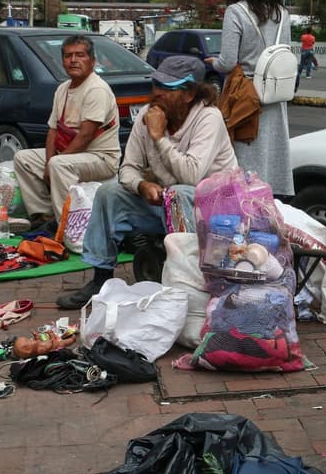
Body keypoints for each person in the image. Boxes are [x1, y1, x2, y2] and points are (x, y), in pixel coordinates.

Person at [56, 56, 238, 309]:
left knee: (177, 192)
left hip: (213, 211)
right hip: (166, 201)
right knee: (108, 193)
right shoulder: (147, 114)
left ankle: (185, 277)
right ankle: (100, 278)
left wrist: (158, 136)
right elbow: (127, 168)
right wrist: (141, 186)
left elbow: (192, 177)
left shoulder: (209, 117)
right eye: (156, 86)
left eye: (167, 89)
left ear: (188, 94)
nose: (157, 94)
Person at [206, 0, 292, 199]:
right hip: (275, 97)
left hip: (246, 97)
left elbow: (228, 61)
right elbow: (283, 51)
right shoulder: (281, 13)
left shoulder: (236, 12)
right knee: (271, 162)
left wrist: (213, 62)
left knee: (245, 160)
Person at [13, 35, 120, 230]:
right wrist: (47, 163)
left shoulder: (96, 89)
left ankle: (69, 226)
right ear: (62, 61)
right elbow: (52, 130)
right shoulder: (62, 89)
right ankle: (44, 215)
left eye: (80, 55)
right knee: (23, 158)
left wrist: (54, 163)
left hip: (101, 158)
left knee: (58, 164)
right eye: (68, 56)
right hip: (73, 155)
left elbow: (86, 135)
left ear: (92, 61)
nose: (73, 60)